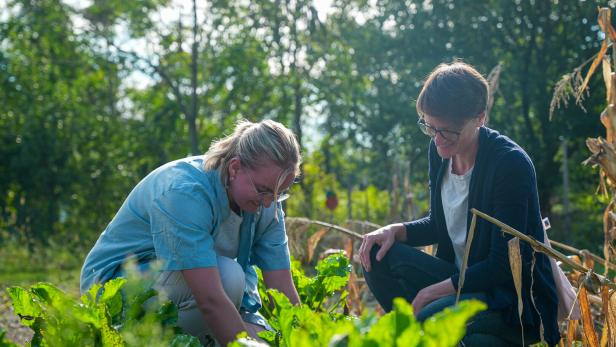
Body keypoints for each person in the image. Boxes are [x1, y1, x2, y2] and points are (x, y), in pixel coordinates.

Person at [358, 62, 559, 346]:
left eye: (448, 131)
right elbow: (440, 226)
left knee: (437, 320)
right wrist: (394, 230)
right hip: (460, 279)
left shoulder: (509, 164)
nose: (437, 139)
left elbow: (503, 265)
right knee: (378, 253)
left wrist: (431, 292)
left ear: (480, 118)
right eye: (430, 127)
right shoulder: (440, 150)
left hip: (506, 296)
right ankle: (425, 333)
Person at [80, 119, 302, 346]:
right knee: (229, 277)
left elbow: (281, 288)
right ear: (235, 168)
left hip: (181, 287)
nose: (269, 203)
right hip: (116, 292)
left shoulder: (267, 203)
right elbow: (211, 300)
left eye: (279, 194)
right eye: (264, 190)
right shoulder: (185, 192)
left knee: (261, 338)